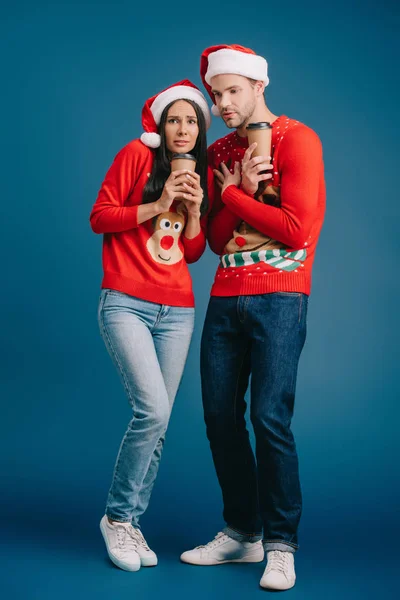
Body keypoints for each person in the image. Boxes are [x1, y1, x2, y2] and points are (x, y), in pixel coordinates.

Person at [180, 45, 326, 591]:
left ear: (260, 86)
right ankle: (242, 532)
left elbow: (295, 230)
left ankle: (281, 545)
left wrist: (235, 195)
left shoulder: (299, 139)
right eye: (216, 95)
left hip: (281, 297)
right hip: (226, 297)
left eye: (232, 91)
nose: (221, 104)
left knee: (269, 418)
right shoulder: (219, 148)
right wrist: (236, 193)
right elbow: (218, 242)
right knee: (219, 418)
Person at [90, 80, 212, 572]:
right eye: (174, 119)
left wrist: (195, 211)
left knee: (158, 426)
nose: (183, 129)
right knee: (153, 411)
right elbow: (100, 217)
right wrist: (158, 205)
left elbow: (193, 252)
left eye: (192, 121)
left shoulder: (197, 173)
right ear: (159, 125)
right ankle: (117, 519)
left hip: (177, 309)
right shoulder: (135, 157)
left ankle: (132, 523)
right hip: (125, 302)